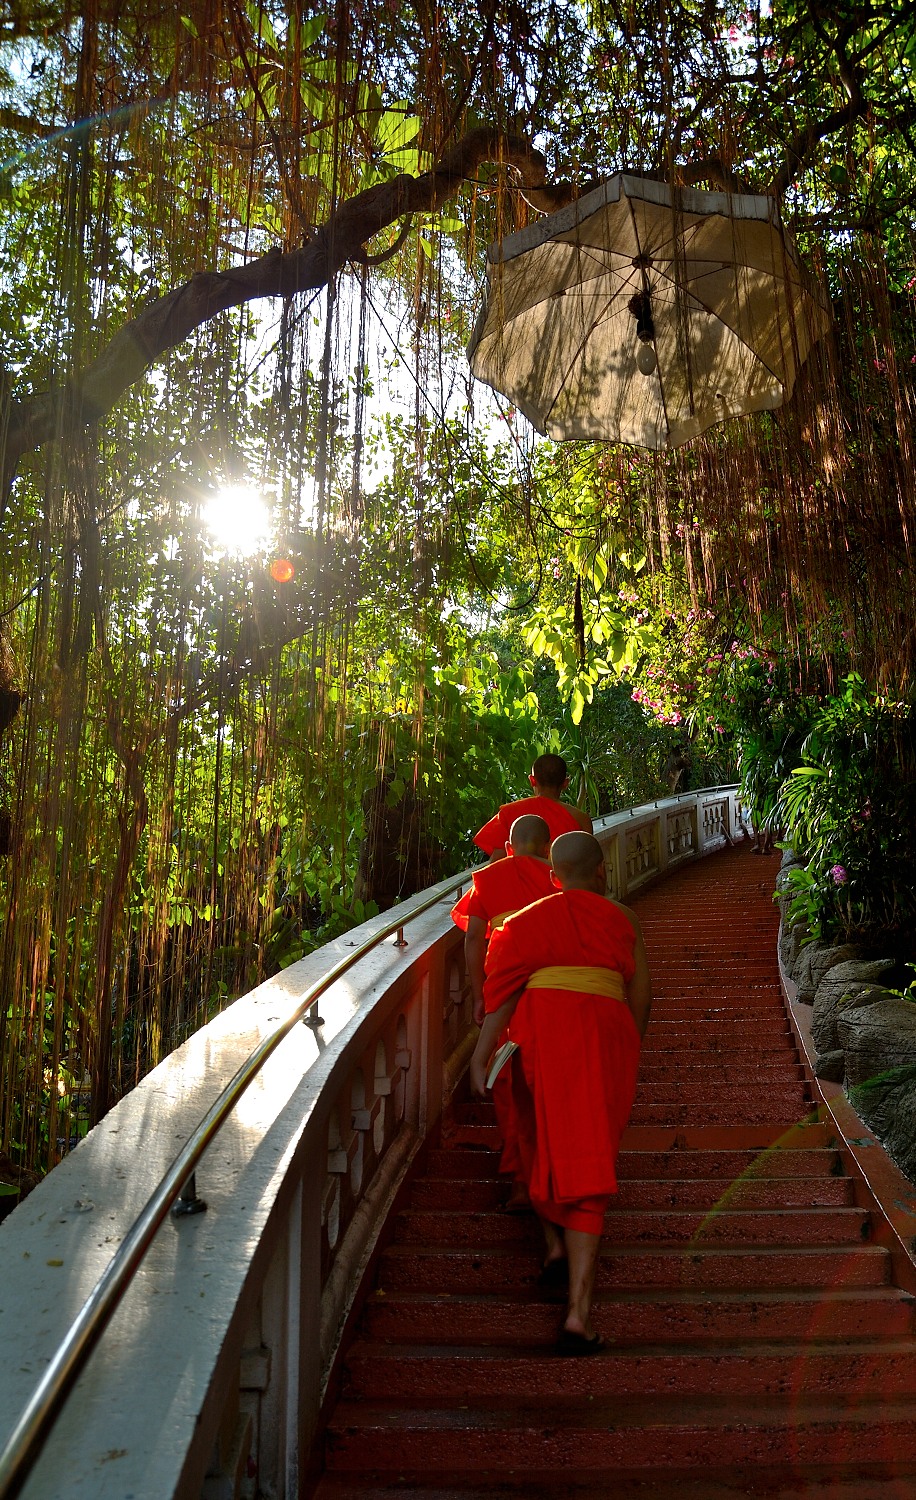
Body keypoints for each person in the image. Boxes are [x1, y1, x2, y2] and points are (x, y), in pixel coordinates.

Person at [469, 831, 652, 1356]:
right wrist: (628, 1049)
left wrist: (480, 1056)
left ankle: (557, 1253)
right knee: (593, 1155)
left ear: (552, 877)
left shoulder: (525, 923)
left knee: (546, 1141)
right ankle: (578, 1312)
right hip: (606, 1033)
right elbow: (641, 994)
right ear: (601, 872)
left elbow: (500, 996)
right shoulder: (623, 919)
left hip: (544, 1034)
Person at [451, 814, 555, 1210]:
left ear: (509, 847)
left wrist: (480, 995)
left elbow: (474, 939)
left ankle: (518, 1179)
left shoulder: (490, 879)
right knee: (547, 1077)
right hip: (551, 987)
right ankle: (554, 1174)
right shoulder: (557, 876)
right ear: (547, 847)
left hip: (504, 985)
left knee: (511, 1079)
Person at [473, 754, 592, 863]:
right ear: (566, 783)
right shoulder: (581, 819)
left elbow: (497, 862)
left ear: (532, 780)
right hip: (562, 885)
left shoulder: (509, 812)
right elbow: (587, 865)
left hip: (519, 885)